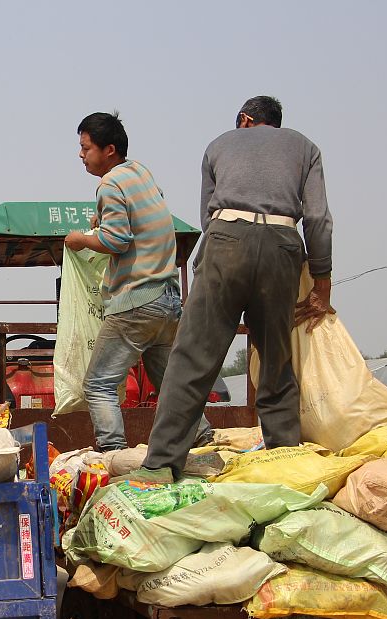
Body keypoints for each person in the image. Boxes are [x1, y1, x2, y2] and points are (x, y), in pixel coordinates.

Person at [135, 96, 335, 482]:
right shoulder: (306, 147)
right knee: (276, 362)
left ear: (244, 120)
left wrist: (209, 268)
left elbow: (208, 219)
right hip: (282, 245)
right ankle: (285, 463)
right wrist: (322, 283)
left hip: (226, 241)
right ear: (276, 125)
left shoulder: (218, 145)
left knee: (192, 358)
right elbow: (318, 219)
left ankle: (160, 466)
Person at [64, 112, 211, 452]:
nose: (81, 155)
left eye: (86, 148)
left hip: (137, 301)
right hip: (168, 300)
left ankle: (114, 455)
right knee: (170, 382)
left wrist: (83, 239)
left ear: (109, 150)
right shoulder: (140, 173)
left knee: (99, 384)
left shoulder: (109, 184)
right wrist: (103, 221)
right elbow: (142, 213)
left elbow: (116, 241)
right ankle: (202, 437)